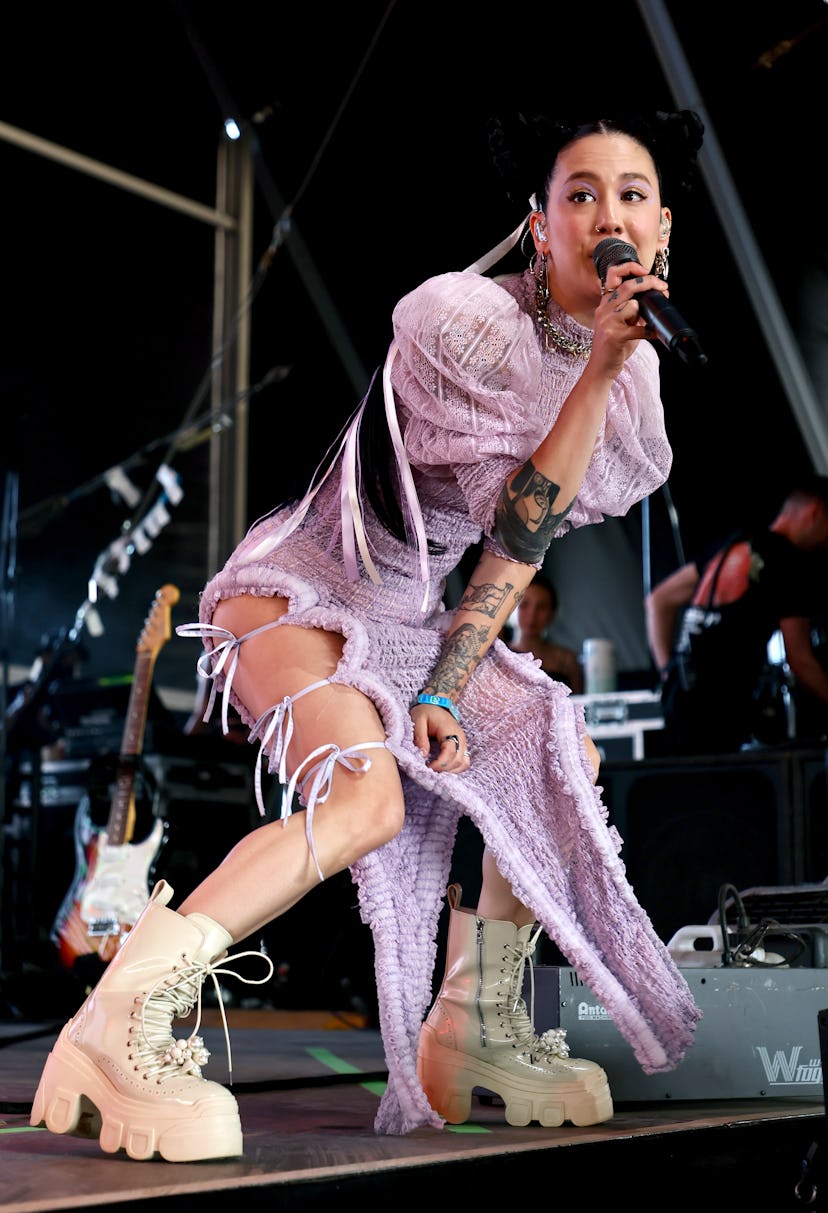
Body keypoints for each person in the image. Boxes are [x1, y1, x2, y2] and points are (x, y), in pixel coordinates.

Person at [30, 108, 705, 1162]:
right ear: (539, 226)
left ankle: (471, 1024)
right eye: (581, 194)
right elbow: (522, 505)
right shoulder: (466, 319)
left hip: (412, 614)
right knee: (368, 799)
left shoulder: (625, 384)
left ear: (661, 231)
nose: (606, 216)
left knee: (555, 748)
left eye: (630, 196)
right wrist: (599, 373)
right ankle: (117, 1016)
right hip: (300, 587)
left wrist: (443, 690)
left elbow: (510, 560)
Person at [645, 475, 828, 756]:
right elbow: (800, 659)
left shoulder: (731, 546)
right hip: (721, 711)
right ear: (815, 513)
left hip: (678, 703)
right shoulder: (788, 563)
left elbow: (658, 601)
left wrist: (669, 671)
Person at [508, 570, 584, 692]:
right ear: (511, 608)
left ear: (552, 614)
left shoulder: (566, 660)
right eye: (524, 604)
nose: (532, 615)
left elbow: (580, 705)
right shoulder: (499, 655)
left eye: (541, 607)